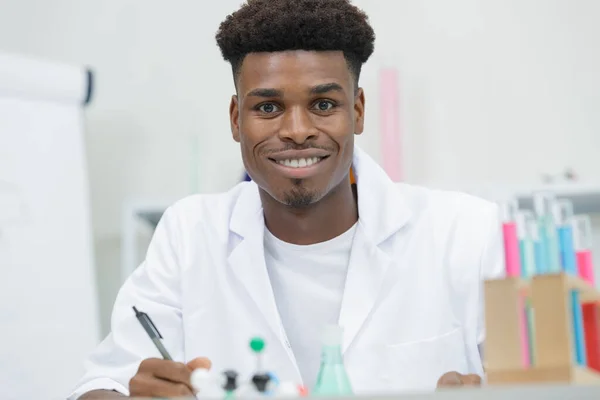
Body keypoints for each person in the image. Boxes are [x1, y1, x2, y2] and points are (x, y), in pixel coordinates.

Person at [71, 0, 503, 398]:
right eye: (268, 108)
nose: (297, 130)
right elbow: (100, 384)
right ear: (236, 119)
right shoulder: (189, 234)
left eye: (322, 104)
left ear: (358, 110)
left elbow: (549, 381)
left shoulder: (465, 234)